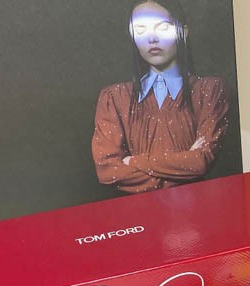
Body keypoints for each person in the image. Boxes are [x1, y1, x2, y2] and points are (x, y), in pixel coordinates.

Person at [92, 0, 230, 193]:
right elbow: (108, 171)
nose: (152, 38)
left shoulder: (209, 90)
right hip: (137, 210)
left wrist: (133, 161)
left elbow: (201, 162)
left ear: (183, 32)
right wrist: (184, 165)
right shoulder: (114, 98)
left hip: (196, 206)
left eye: (163, 27)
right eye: (141, 29)